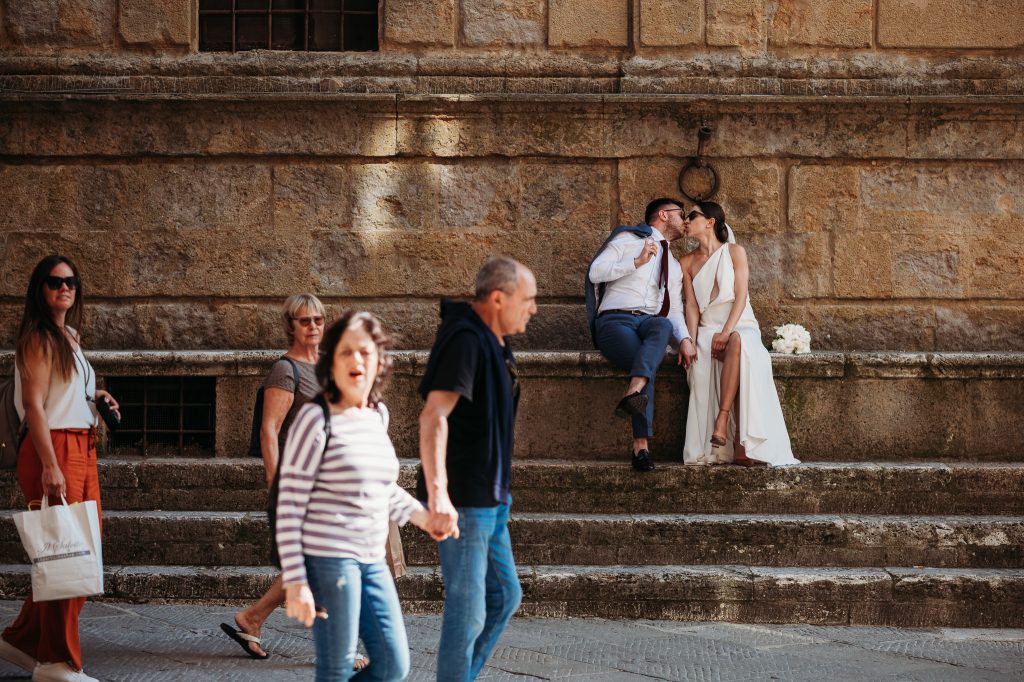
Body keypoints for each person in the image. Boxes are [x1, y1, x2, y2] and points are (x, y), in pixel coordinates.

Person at [220, 296, 406, 669]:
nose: (313, 327)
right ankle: (337, 649)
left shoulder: (327, 365)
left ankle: (254, 618)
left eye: (318, 320)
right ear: (290, 325)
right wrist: (274, 481)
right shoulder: (286, 370)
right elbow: (269, 429)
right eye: (304, 321)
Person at [278, 311, 442, 682]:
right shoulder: (315, 418)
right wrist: (296, 582)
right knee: (336, 669)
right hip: (329, 560)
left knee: (393, 665)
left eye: (365, 353)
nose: (356, 361)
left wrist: (423, 517)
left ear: (380, 361)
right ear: (331, 361)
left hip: (372, 559)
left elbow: (381, 489)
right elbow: (288, 504)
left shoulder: (377, 415)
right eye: (346, 352)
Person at [417, 256, 537, 682]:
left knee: (504, 596)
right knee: (467, 612)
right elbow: (434, 416)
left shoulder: (496, 338)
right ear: (498, 298)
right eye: (529, 299)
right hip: (466, 501)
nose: (534, 308)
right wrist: (438, 493)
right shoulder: (465, 339)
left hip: (492, 497)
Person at [0, 255, 119, 682]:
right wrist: (50, 465)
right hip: (54, 447)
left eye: (70, 282)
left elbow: (60, 390)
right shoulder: (37, 338)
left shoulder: (69, 336)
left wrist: (96, 395)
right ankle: (55, 662)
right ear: (40, 289)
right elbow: (33, 404)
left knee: (75, 551)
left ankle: (23, 640)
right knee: (70, 553)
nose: (64, 288)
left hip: (80, 446)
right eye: (54, 282)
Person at [679, 202, 799, 467]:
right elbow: (690, 305)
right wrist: (689, 340)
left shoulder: (735, 252)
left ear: (710, 221)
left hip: (739, 321)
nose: (686, 221)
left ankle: (723, 421)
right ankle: (729, 440)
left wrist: (726, 331)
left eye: (692, 215)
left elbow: (741, 296)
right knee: (701, 362)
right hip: (708, 327)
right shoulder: (686, 262)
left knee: (739, 340)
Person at [585, 198, 697, 472]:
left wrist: (684, 340)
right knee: (646, 361)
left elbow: (674, 310)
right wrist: (636, 262)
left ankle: (634, 390)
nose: (685, 221)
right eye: (680, 214)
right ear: (663, 215)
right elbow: (595, 272)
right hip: (616, 321)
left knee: (662, 327)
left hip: (649, 322)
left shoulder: (672, 262)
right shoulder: (628, 238)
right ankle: (641, 446)